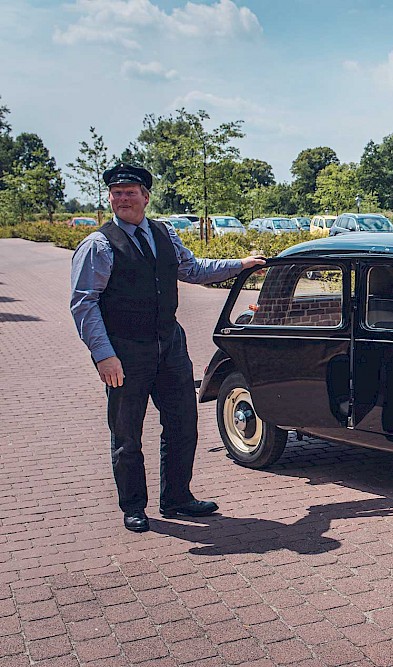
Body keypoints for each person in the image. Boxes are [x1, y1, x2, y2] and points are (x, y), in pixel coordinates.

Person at [70, 164, 266, 533]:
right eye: (117, 193)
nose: (123, 198)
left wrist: (239, 265)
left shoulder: (164, 232)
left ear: (146, 196)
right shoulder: (98, 245)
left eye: (130, 192)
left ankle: (177, 498)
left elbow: (192, 269)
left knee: (182, 423)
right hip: (125, 350)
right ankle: (134, 506)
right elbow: (84, 303)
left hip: (169, 344)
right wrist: (104, 354)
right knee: (127, 432)